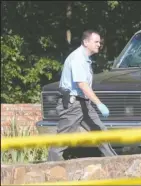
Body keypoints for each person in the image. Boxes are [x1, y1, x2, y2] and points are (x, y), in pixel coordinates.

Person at [47, 29, 118, 161]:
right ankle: (51, 169)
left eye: (99, 42)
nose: (99, 44)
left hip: (83, 103)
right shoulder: (78, 58)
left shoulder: (85, 59)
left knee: (100, 132)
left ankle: (114, 162)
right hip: (73, 105)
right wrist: (99, 103)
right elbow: (82, 85)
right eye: (96, 42)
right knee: (63, 140)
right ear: (86, 42)